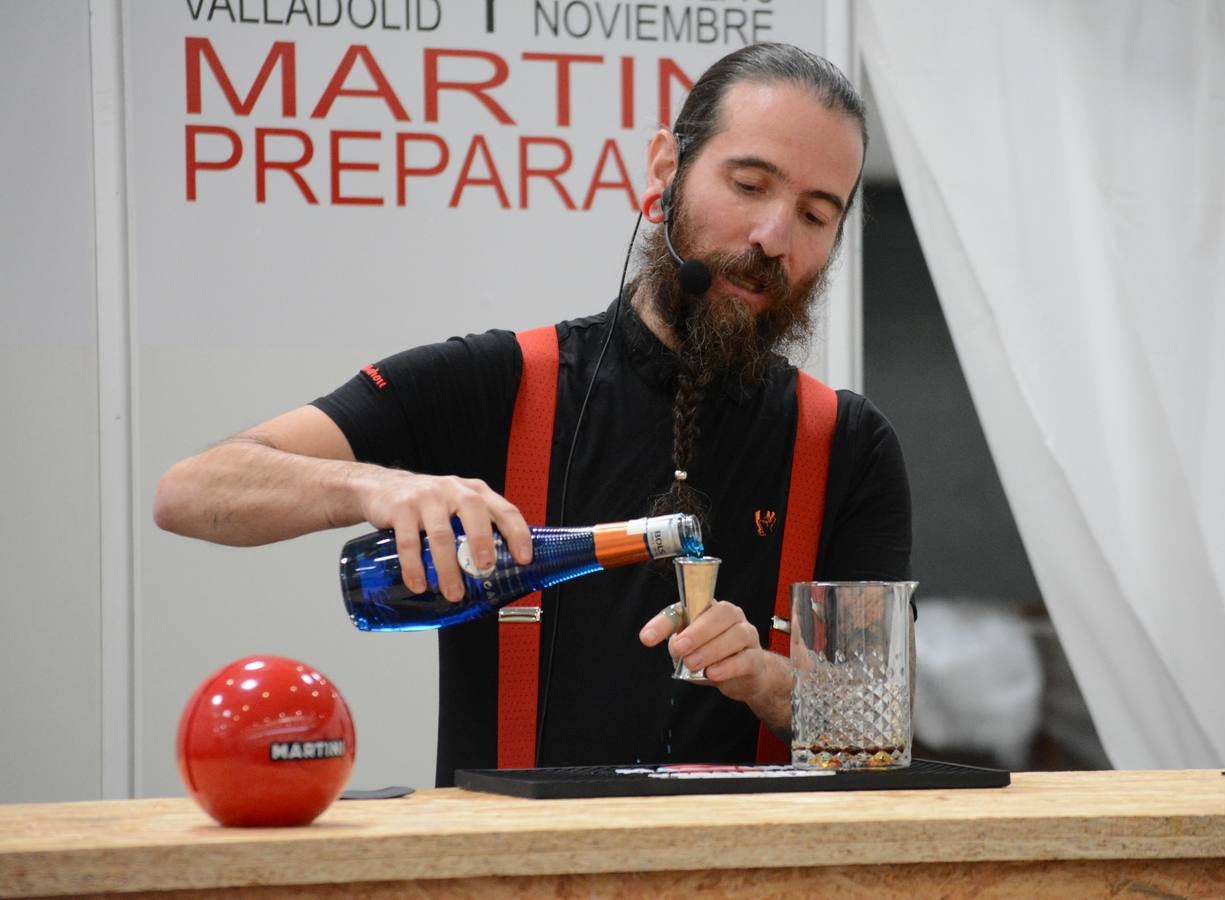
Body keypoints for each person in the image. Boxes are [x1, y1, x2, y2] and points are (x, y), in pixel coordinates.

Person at [154, 42, 912, 783]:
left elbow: (873, 733)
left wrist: (768, 680)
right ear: (663, 170)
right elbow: (191, 491)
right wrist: (373, 489)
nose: (773, 238)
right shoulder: (499, 384)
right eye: (749, 185)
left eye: (815, 216)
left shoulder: (847, 447)